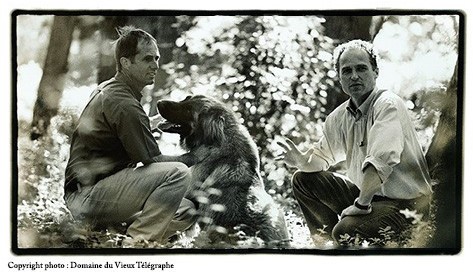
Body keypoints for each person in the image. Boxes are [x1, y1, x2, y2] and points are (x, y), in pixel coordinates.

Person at [277, 40, 433, 245]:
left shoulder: (388, 105)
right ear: (340, 77)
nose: (354, 76)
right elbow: (323, 157)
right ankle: (323, 247)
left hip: (406, 205)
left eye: (361, 68)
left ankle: (342, 242)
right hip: (368, 199)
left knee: (345, 229)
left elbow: (380, 162)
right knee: (302, 179)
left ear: (375, 71)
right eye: (347, 71)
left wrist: (360, 205)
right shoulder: (339, 116)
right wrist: (302, 161)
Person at [64, 26, 197, 245]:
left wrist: (150, 123)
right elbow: (153, 161)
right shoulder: (124, 103)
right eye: (147, 59)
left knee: (186, 210)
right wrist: (198, 157)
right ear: (126, 63)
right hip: (88, 197)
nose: (155, 65)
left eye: (156, 58)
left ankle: (116, 231)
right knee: (178, 172)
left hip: (95, 194)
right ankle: (137, 243)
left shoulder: (110, 89)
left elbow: (123, 130)